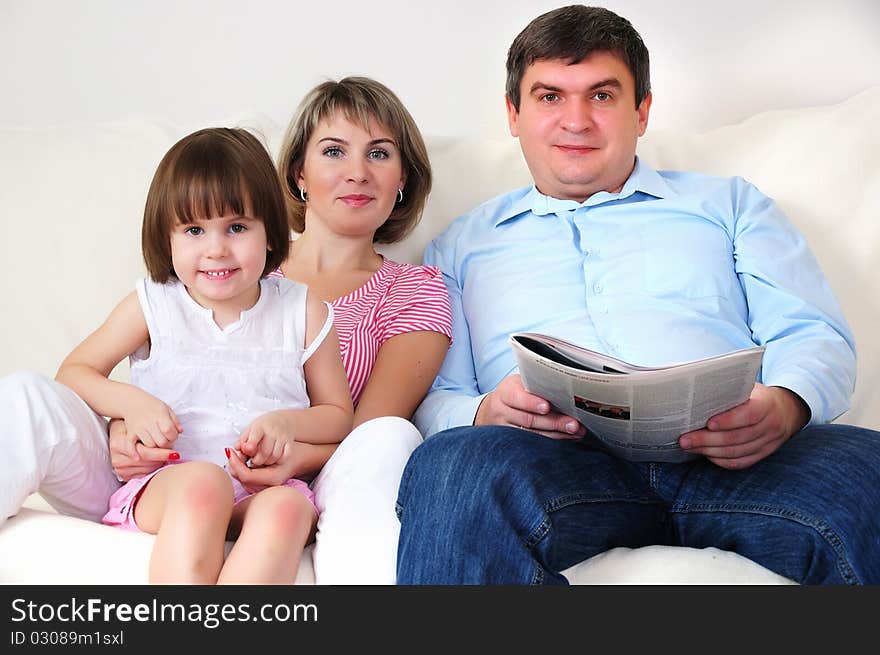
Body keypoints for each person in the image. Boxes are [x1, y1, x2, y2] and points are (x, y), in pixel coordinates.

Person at [396, 5, 880, 585]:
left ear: (642, 111)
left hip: (736, 460)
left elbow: (812, 333)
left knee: (868, 468)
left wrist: (785, 405)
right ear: (513, 113)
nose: (576, 121)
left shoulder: (729, 206)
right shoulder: (457, 248)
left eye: (601, 96)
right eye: (550, 96)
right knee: (452, 468)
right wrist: (482, 412)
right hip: (553, 467)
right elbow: (436, 393)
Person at [0, 77, 452, 584]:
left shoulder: (360, 298)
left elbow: (357, 430)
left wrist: (288, 446)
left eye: (379, 154)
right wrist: (122, 421)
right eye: (334, 151)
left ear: (404, 179)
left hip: (293, 478)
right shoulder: (205, 280)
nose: (356, 172)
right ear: (298, 175)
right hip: (168, 471)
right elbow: (93, 375)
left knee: (372, 448)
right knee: (25, 396)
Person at [59, 127, 353, 583]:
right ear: (167, 237)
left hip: (260, 486)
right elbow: (74, 372)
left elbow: (338, 414)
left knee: (289, 509)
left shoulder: (303, 309)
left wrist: (286, 424)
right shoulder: (153, 303)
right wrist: (131, 405)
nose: (216, 248)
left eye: (236, 227)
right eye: (194, 230)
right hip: (173, 486)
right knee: (205, 484)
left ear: (270, 233)